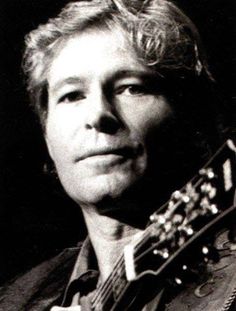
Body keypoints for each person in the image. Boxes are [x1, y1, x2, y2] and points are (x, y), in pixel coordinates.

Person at [0, 0, 235, 310]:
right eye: (71, 95)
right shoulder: (17, 298)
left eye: (131, 88)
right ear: (47, 136)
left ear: (191, 118)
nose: (98, 114)